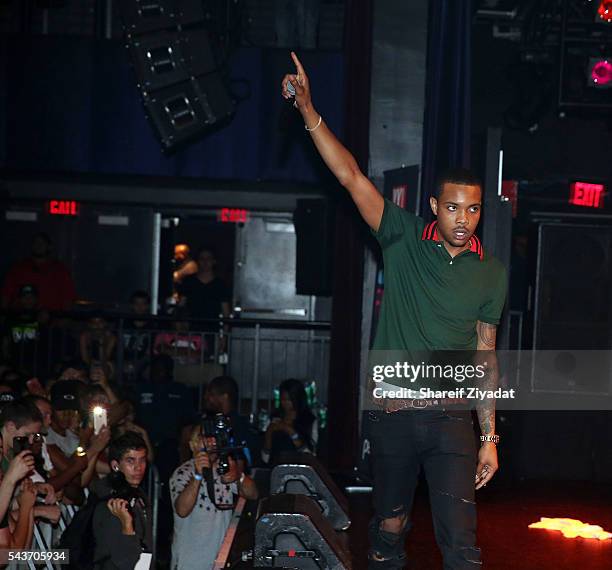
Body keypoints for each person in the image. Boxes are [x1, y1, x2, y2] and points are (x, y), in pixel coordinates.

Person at [281, 54, 507, 568]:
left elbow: (485, 355)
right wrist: (308, 110)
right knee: (389, 528)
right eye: (453, 207)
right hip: (395, 416)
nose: (463, 219)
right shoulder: (402, 236)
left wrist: (490, 437)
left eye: (473, 209)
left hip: (453, 421)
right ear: (433, 206)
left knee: (462, 542)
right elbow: (351, 176)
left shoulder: (491, 272)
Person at [170, 424, 258, 570]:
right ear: (192, 445)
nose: (210, 441)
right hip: (190, 562)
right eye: (204, 437)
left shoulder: (223, 470)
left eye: (213, 437)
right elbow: (182, 510)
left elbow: (253, 494)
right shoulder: (183, 473)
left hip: (219, 561)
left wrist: (239, 476)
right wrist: (198, 476)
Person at [91, 431, 152, 570]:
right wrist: (127, 525)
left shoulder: (139, 496)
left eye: (142, 460)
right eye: (130, 460)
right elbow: (125, 562)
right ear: (115, 465)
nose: (138, 467)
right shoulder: (110, 502)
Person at [1, 233, 76, 312]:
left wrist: (63, 320)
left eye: (42, 243)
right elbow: (6, 294)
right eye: (35, 243)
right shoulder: (18, 268)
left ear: (50, 247)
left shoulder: (60, 270)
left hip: (52, 321)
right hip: (21, 320)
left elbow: (68, 298)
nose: (38, 246)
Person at [262, 378, 317, 465]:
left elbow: (311, 458)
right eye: (282, 399)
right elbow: (265, 458)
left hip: (299, 472)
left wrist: (291, 432)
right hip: (276, 469)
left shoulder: (309, 421)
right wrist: (269, 432)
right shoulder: (274, 419)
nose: (285, 403)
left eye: (289, 400)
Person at [176, 246, 231, 332]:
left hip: (212, 330)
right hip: (191, 331)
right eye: (202, 259)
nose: (205, 262)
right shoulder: (189, 281)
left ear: (214, 261)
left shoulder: (220, 285)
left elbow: (226, 312)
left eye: (208, 258)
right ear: (197, 261)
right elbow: (181, 306)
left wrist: (224, 336)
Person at [122, 291, 154, 382]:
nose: (140, 307)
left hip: (144, 360)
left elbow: (151, 350)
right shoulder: (124, 323)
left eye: (143, 304)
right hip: (124, 358)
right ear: (132, 305)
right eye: (137, 304)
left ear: (147, 306)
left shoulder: (153, 324)